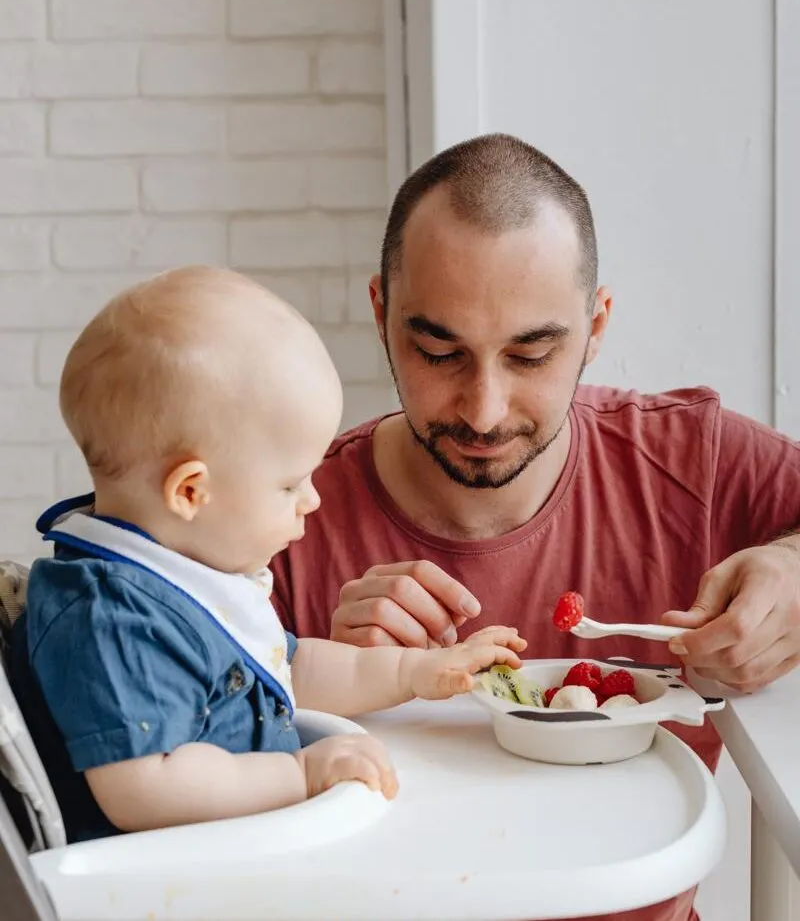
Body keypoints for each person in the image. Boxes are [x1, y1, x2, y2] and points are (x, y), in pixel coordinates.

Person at [270, 133, 800, 921]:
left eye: (531, 355)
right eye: (438, 349)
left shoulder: (695, 462)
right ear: (382, 313)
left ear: (596, 324)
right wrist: (314, 692)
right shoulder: (278, 518)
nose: (484, 410)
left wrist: (795, 570)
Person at [9, 266, 525, 843]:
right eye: (289, 484)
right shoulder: (113, 615)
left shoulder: (191, 577)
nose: (313, 499)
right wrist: (299, 773)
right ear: (190, 492)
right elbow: (144, 787)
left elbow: (294, 668)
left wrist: (416, 671)